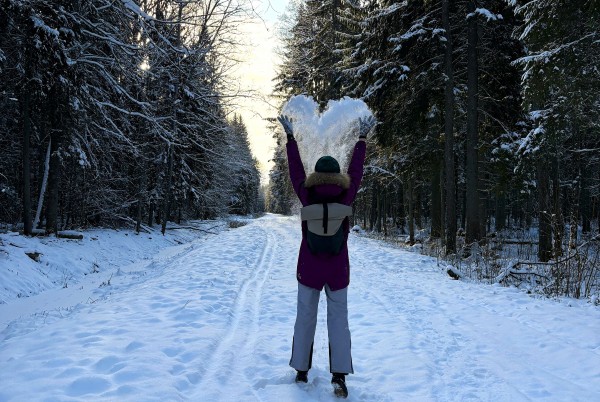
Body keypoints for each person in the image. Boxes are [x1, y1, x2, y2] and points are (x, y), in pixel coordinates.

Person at [278, 114, 375, 398]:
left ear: (317, 174)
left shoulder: (306, 194)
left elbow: (295, 171)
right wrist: (361, 139)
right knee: (338, 321)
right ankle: (340, 376)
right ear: (337, 176)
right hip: (337, 270)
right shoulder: (346, 194)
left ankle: (301, 370)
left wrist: (291, 139)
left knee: (305, 317)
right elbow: (356, 172)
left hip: (308, 267)